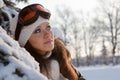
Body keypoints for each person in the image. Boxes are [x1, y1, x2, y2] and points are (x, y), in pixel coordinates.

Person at [10, 4, 85, 80]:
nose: (48, 34)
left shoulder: (61, 57)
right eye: (37, 30)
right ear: (25, 42)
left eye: (48, 27)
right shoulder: (25, 72)